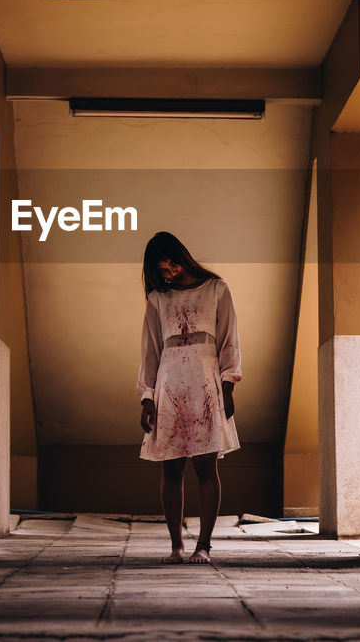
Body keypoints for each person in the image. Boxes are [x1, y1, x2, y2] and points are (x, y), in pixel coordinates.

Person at [136, 231, 243, 564]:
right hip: (170, 384)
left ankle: (204, 546)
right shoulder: (158, 299)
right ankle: (176, 546)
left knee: (206, 467)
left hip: (205, 383)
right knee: (171, 469)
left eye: (167, 265)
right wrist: (147, 397)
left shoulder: (216, 290)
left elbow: (229, 341)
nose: (166, 274)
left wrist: (228, 384)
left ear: (178, 255)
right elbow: (150, 351)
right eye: (159, 271)